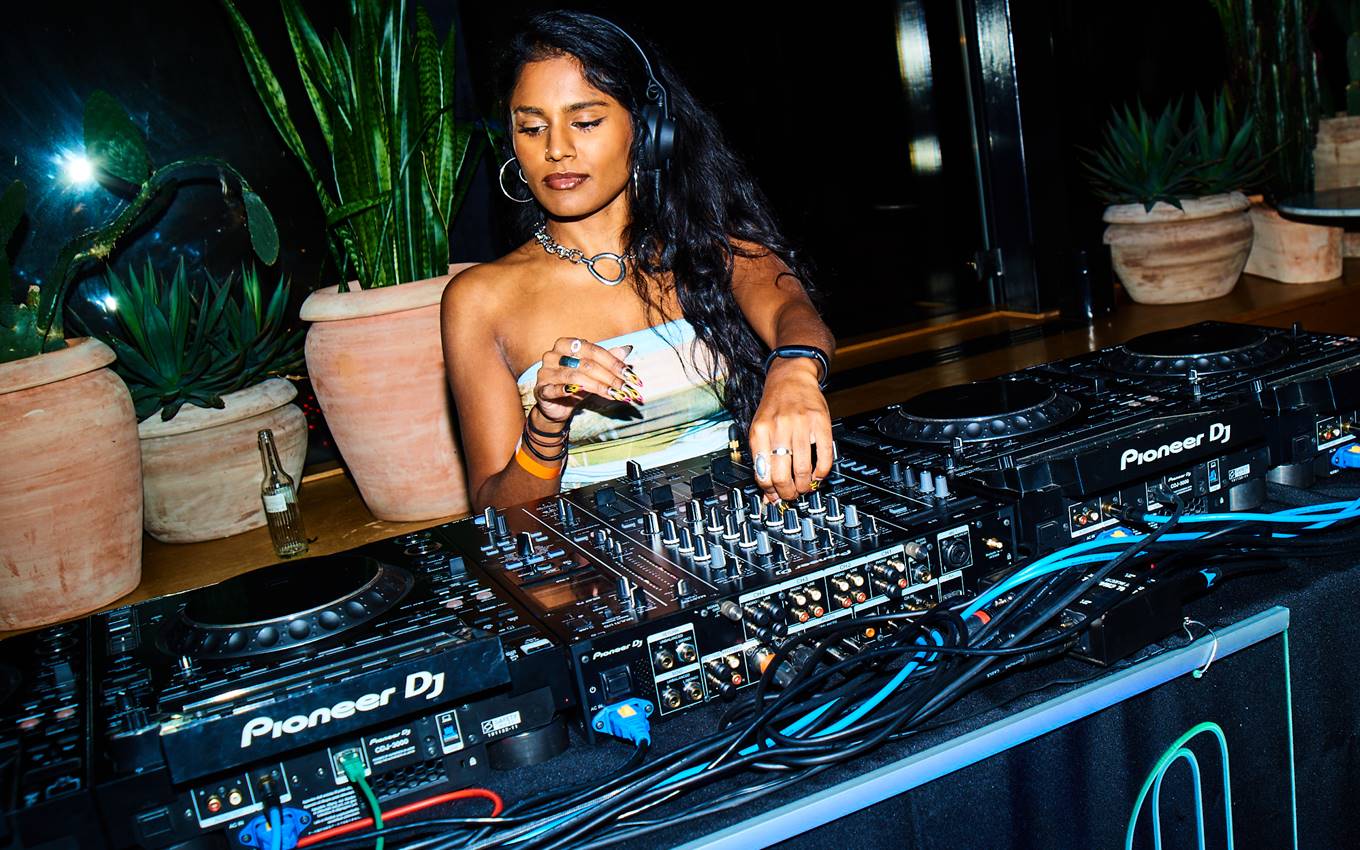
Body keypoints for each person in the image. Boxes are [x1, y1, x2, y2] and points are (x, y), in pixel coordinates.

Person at [441, 10, 835, 511]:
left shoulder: (708, 241)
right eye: (532, 127)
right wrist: (545, 427)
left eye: (585, 122)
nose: (557, 149)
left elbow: (792, 312)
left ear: (647, 130)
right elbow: (500, 517)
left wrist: (795, 373)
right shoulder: (478, 299)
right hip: (595, 571)